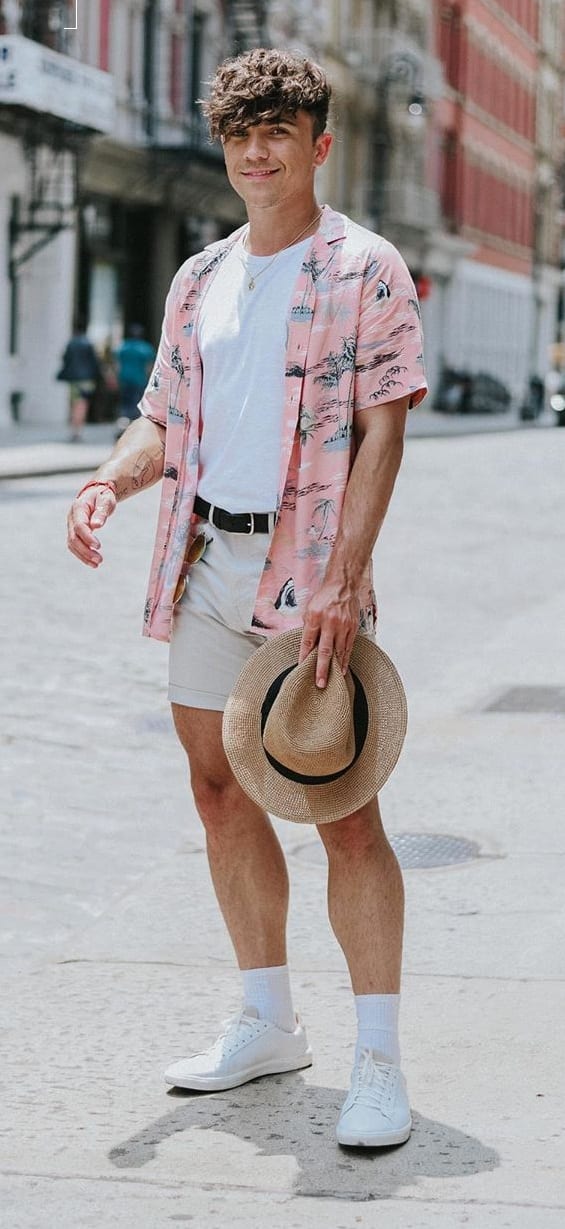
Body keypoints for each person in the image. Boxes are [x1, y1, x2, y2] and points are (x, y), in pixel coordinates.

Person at [66, 49, 427, 1148]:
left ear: (319, 145)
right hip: (203, 565)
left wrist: (345, 574)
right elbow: (163, 417)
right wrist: (107, 479)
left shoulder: (366, 267)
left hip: (307, 574)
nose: (256, 151)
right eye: (239, 134)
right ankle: (267, 1018)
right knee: (219, 793)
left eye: (278, 132)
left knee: (343, 810)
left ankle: (378, 1061)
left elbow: (384, 424)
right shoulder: (199, 277)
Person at [57, 319, 101, 442]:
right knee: (82, 404)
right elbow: (95, 363)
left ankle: (74, 429)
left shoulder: (71, 344)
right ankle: (78, 430)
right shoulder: (88, 344)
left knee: (75, 403)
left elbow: (65, 360)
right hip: (86, 379)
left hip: (74, 379)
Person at [113, 324, 156, 438]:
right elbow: (149, 367)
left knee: (125, 404)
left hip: (124, 379)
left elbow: (117, 365)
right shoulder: (146, 348)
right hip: (139, 380)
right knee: (137, 404)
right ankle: (134, 430)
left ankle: (122, 426)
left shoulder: (123, 347)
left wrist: (117, 378)